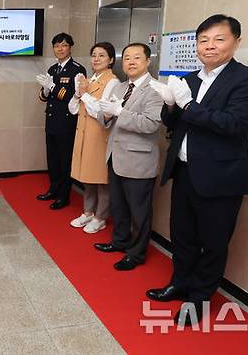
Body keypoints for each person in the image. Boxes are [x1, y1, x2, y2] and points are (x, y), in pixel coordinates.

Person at [146, 15, 248, 326]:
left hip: (220, 178)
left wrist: (187, 106)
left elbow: (233, 125)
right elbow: (174, 124)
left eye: (219, 39)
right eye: (203, 40)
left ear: (236, 42)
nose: (209, 46)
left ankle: (198, 299)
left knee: (213, 242)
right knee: (182, 235)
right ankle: (180, 282)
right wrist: (171, 106)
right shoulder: (190, 79)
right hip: (185, 171)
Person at [93, 43, 163, 271]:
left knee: (139, 210)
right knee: (119, 205)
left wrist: (120, 113)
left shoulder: (156, 90)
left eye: (136, 58)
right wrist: (105, 114)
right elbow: (108, 122)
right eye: (127, 58)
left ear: (147, 61)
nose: (131, 62)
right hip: (115, 155)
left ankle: (136, 253)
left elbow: (150, 124)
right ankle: (119, 240)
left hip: (138, 159)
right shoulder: (120, 88)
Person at [68, 42, 119, 234]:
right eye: (94, 55)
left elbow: (100, 111)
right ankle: (88, 212)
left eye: (102, 56)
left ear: (111, 60)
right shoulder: (87, 80)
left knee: (100, 179)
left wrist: (85, 94)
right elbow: (72, 109)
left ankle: (101, 217)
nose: (96, 59)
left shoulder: (112, 82)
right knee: (87, 177)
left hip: (100, 136)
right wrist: (77, 93)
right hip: (84, 134)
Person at [36, 33, 87, 210]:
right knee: (52, 160)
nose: (60, 49)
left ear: (70, 47)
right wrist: (45, 90)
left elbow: (71, 97)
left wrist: (53, 87)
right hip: (51, 121)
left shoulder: (77, 70)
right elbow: (44, 98)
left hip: (66, 123)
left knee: (65, 161)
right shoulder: (52, 69)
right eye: (56, 46)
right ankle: (53, 189)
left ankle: (64, 196)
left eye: (64, 45)